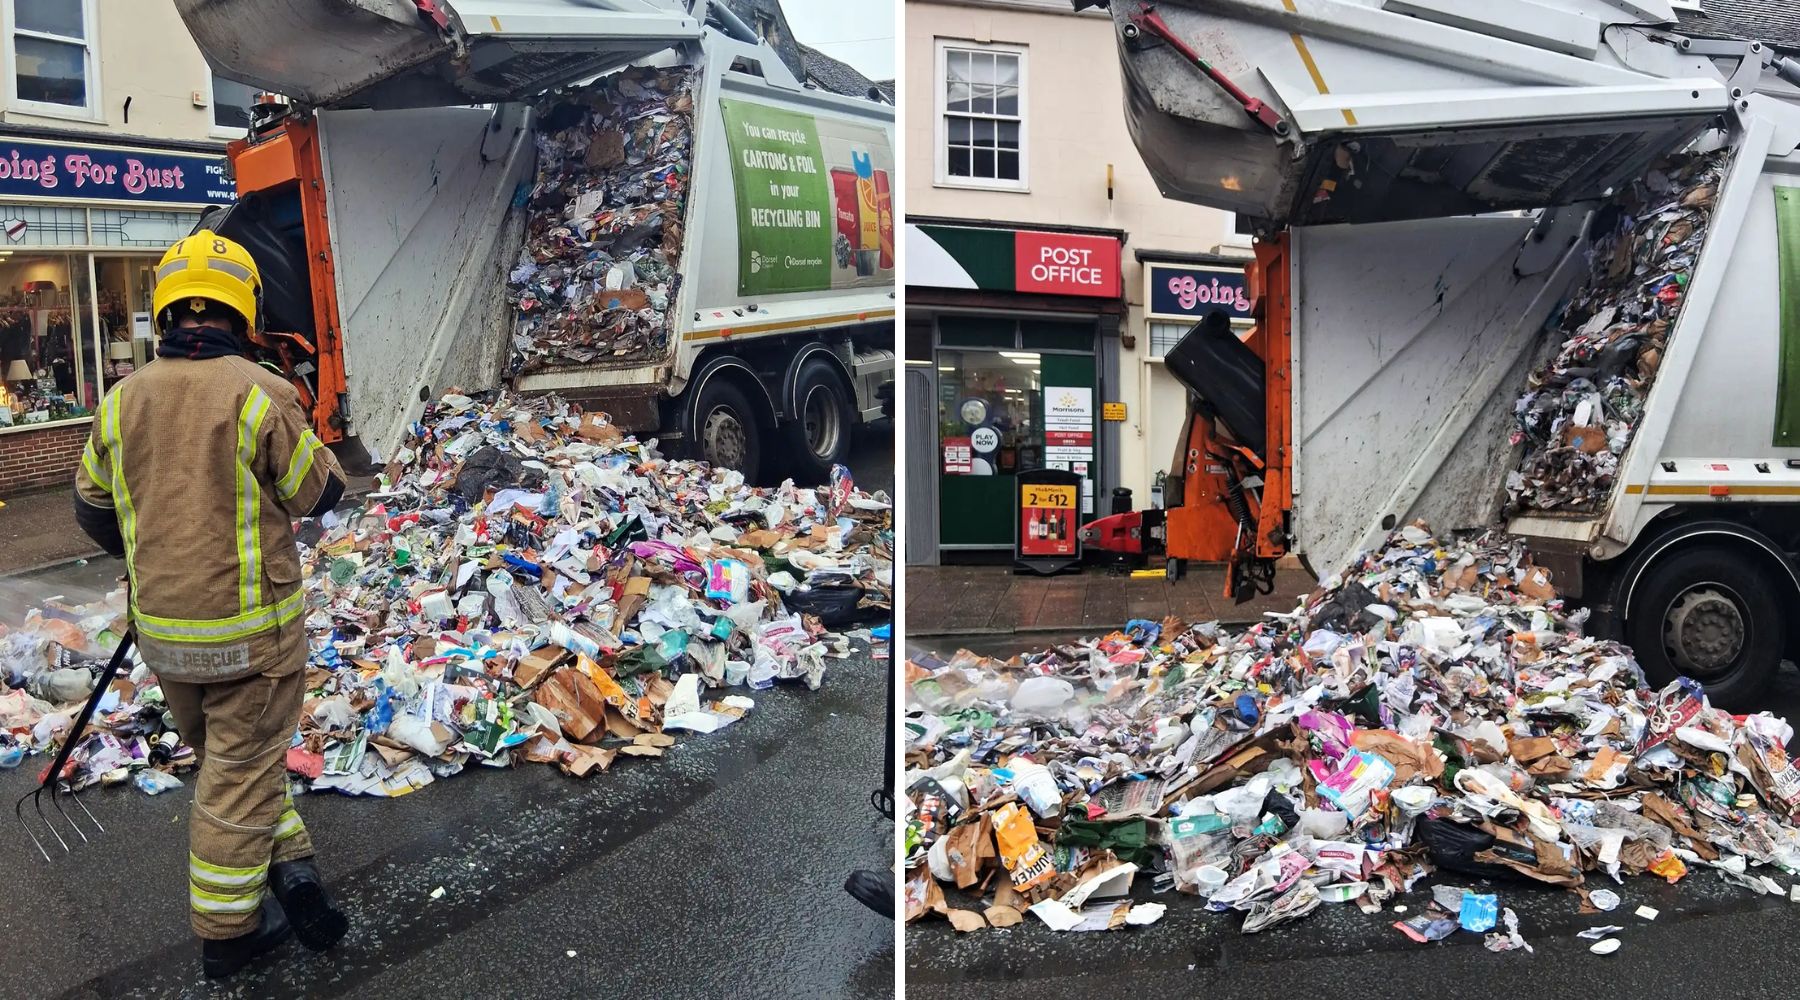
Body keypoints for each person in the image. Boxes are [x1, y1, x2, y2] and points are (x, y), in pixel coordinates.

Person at [71, 231, 350, 980]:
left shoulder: (121, 400)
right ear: (244, 309)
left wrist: (153, 555)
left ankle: (292, 872)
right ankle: (228, 937)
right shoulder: (260, 392)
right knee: (236, 776)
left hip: (165, 640)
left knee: (236, 764)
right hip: (252, 644)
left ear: (164, 311)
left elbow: (92, 507)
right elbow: (320, 494)